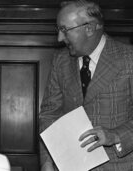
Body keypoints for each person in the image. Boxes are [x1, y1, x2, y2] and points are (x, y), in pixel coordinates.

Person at [39, 0, 133, 170]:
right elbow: (49, 114)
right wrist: (47, 161)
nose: (59, 38)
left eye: (64, 30)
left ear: (89, 28)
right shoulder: (61, 61)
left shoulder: (129, 59)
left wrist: (115, 136)